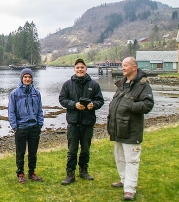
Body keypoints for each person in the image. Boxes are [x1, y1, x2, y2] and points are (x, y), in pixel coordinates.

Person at [107, 57, 154, 200]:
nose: (123, 68)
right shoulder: (123, 84)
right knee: (120, 157)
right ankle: (123, 180)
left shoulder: (142, 85)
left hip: (132, 130)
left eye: (125, 65)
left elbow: (148, 105)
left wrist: (131, 106)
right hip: (119, 128)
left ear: (134, 67)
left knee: (132, 160)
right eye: (122, 65)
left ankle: (130, 189)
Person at [59, 58, 104, 185]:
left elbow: (100, 100)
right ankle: (70, 173)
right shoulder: (67, 84)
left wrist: (93, 105)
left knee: (85, 149)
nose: (80, 69)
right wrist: (74, 105)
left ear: (86, 69)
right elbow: (62, 99)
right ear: (74, 69)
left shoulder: (93, 85)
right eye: (78, 68)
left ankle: (83, 171)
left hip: (87, 122)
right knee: (72, 150)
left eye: (82, 67)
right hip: (73, 122)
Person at [8, 68, 44, 184]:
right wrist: (15, 127)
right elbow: (11, 112)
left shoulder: (36, 93)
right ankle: (21, 174)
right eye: (25, 77)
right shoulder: (14, 94)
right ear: (22, 78)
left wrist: (39, 124)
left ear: (32, 79)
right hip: (21, 128)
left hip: (34, 127)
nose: (27, 79)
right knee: (20, 152)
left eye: (29, 77)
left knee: (33, 152)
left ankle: (32, 173)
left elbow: (40, 111)